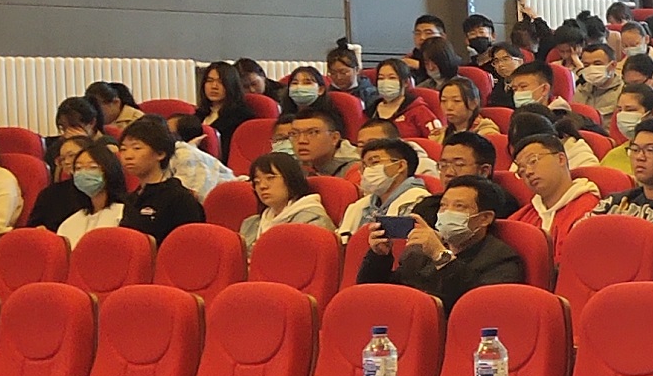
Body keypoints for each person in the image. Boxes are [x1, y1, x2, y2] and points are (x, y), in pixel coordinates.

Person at [370, 175, 524, 307]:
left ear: (485, 218)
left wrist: (441, 256)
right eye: (443, 206)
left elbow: (479, 305)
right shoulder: (420, 252)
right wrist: (379, 257)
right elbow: (380, 296)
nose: (447, 212)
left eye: (459, 206)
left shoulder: (501, 259)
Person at [113, 116, 207, 240]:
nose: (128, 156)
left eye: (137, 148)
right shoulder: (132, 198)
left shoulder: (179, 198)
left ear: (160, 153)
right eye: (123, 149)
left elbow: (189, 242)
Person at [511, 130, 603, 248]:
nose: (528, 172)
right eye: (521, 170)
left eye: (533, 161)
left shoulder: (588, 211)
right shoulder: (522, 217)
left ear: (561, 159)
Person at [239, 152, 332, 243]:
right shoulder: (250, 224)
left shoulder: (313, 220)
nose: (262, 186)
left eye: (270, 178)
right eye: (257, 181)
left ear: (290, 179)